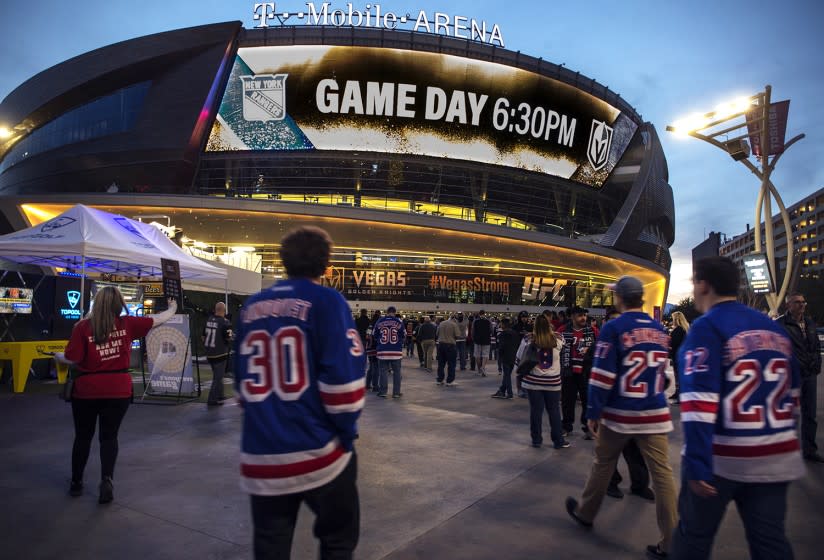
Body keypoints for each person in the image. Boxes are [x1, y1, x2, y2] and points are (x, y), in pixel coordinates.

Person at [234, 226, 365, 560]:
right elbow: (344, 388)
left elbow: (241, 387)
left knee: (269, 545)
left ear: (283, 262)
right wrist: (346, 438)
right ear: (325, 264)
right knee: (338, 540)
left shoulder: (252, 306)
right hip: (316, 452)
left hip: (261, 454)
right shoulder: (327, 300)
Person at [671, 257, 805, 559]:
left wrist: (697, 462)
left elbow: (698, 405)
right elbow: (793, 395)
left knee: (693, 539)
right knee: (771, 543)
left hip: (723, 458)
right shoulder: (775, 329)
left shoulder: (706, 328)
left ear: (703, 284)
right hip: (775, 454)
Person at [565, 276, 677, 560]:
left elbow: (602, 375)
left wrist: (593, 411)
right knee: (662, 474)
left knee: (603, 462)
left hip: (620, 413)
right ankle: (672, 540)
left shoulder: (614, 328)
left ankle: (586, 513)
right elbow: (663, 374)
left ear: (621, 298)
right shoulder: (659, 329)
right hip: (654, 412)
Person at [57, 287, 177, 503]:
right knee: (109, 437)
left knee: (83, 437)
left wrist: (59, 356)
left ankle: (76, 482)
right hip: (118, 389)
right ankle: (107, 479)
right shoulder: (128, 324)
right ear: (118, 304)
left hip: (87, 391)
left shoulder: (83, 327)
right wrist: (173, 307)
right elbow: (158, 319)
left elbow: (72, 358)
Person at [601, 307, 653, 502]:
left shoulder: (634, 343)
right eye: (613, 320)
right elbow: (597, 376)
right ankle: (611, 483)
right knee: (609, 453)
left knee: (635, 450)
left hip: (633, 406)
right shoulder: (604, 343)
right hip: (612, 406)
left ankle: (640, 484)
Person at [776, 291, 822, 462]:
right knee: (788, 415)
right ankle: (785, 451)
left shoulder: (809, 323)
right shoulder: (780, 324)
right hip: (791, 377)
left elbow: (816, 347)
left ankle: (809, 450)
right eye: (797, 302)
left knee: (810, 415)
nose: (802, 305)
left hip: (810, 375)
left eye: (803, 302)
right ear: (788, 305)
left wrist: (816, 365)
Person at [517, 314, 568, 448]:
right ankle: (558, 441)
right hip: (553, 382)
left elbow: (519, 359)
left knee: (535, 411)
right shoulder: (559, 338)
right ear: (549, 323)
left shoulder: (528, 338)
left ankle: (536, 440)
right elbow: (563, 354)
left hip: (533, 382)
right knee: (554, 411)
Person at [558, 305, 599, 438]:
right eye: (580, 315)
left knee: (587, 401)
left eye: (585, 315)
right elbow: (554, 345)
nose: (583, 318)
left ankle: (588, 428)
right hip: (568, 372)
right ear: (572, 316)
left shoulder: (592, 331)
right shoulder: (563, 330)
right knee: (567, 401)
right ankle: (566, 426)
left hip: (586, 372)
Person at [203, 301, 233, 406]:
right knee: (218, 377)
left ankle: (220, 394)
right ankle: (212, 399)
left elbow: (203, 337)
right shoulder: (225, 322)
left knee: (218, 376)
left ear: (215, 310)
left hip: (210, 353)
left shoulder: (209, 320)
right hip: (220, 354)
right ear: (224, 311)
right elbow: (228, 338)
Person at [373, 306, 405, 398]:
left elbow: (374, 335)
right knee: (397, 372)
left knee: (383, 372)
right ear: (395, 312)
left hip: (382, 351)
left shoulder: (380, 321)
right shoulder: (399, 321)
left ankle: (383, 392)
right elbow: (404, 335)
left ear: (386, 312)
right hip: (396, 352)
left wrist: (379, 342)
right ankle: (396, 393)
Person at [492, 317, 520, 399]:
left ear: (503, 324)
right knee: (507, 375)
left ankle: (509, 393)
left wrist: (500, 356)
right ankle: (501, 390)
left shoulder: (502, 335)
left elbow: (501, 347)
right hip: (513, 356)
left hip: (506, 357)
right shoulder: (515, 333)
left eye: (501, 324)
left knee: (507, 376)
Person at [668, 311, 689, 402]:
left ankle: (679, 395)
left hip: (677, 356)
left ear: (676, 319)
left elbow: (674, 344)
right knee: (679, 376)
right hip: (684, 356)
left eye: (673, 319)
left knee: (678, 376)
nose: (672, 321)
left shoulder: (677, 331)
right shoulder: (685, 330)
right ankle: (678, 393)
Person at [436, 314, 461, 387]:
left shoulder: (441, 323)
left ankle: (439, 380)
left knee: (441, 364)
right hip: (450, 346)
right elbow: (457, 335)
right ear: (455, 319)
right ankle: (450, 381)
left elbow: (437, 334)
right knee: (451, 364)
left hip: (440, 345)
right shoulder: (454, 324)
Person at [472, 310, 493, 376]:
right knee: (485, 355)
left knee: (477, 355)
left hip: (477, 340)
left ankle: (479, 370)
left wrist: (474, 338)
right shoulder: (488, 321)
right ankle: (483, 367)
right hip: (486, 340)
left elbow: (473, 330)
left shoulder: (475, 321)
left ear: (479, 314)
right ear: (484, 314)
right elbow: (491, 330)